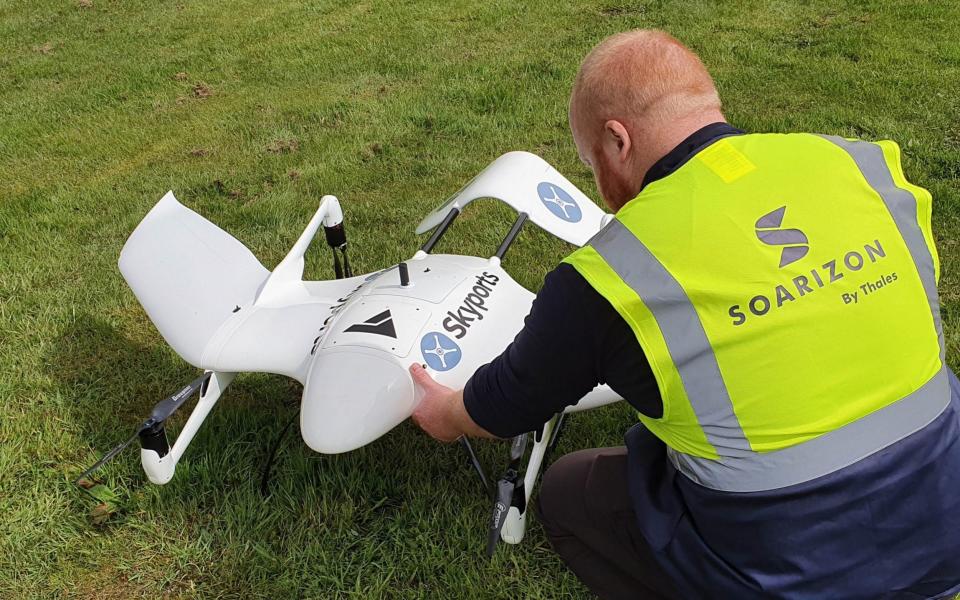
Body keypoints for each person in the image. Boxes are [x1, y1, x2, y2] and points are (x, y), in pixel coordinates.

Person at [408, 29, 960, 599]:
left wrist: (439, 410)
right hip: (948, 521)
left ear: (617, 140)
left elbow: (506, 403)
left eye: (591, 162)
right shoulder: (862, 164)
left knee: (572, 490)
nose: (600, 184)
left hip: (792, 574)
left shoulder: (610, 273)